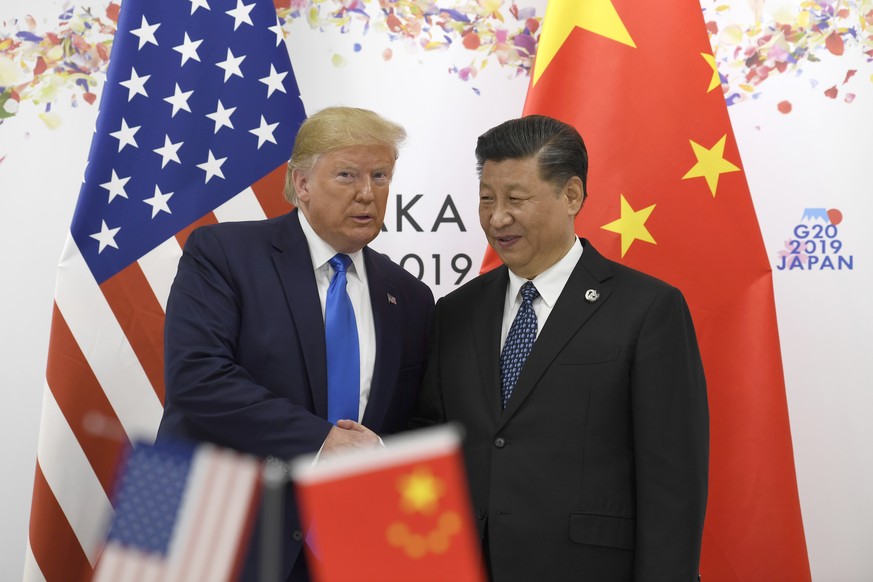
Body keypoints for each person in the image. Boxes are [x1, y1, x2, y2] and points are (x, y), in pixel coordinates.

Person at [413, 115, 708, 581]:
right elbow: (431, 449)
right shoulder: (456, 311)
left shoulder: (648, 309)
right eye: (487, 199)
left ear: (571, 195)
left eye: (516, 199)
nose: (497, 217)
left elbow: (672, 482)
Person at [156, 106, 435, 580]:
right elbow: (195, 378)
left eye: (381, 175)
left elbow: (410, 420)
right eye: (347, 174)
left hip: (349, 544)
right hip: (217, 530)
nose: (368, 193)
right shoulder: (223, 254)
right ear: (301, 183)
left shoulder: (409, 295)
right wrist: (322, 442)